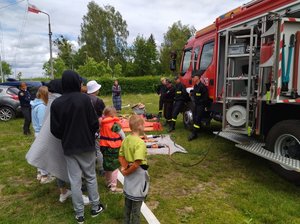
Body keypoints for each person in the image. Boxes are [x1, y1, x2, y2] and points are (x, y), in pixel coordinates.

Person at [50, 70, 104, 224]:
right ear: (76, 82)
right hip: (86, 145)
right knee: (91, 177)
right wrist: (88, 133)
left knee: (75, 180)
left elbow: (55, 130)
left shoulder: (57, 103)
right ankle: (95, 207)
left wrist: (67, 136)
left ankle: (79, 214)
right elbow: (94, 123)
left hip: (69, 146)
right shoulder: (84, 99)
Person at [119, 114, 150, 224]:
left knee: (128, 204)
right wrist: (127, 171)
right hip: (137, 175)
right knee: (136, 207)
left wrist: (125, 168)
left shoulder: (126, 139)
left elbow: (121, 156)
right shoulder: (140, 143)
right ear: (140, 126)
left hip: (129, 175)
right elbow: (137, 163)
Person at [30, 86, 55, 184]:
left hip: (38, 133)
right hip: (42, 133)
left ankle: (40, 173)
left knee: (40, 153)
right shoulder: (41, 107)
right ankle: (45, 176)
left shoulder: (36, 104)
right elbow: (42, 123)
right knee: (44, 155)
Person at [99, 106, 125, 193]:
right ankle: (113, 187)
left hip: (104, 147)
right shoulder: (115, 125)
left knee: (107, 165)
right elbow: (122, 135)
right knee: (114, 167)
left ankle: (108, 182)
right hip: (113, 148)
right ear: (113, 114)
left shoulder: (103, 124)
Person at [87, 80, 106, 176]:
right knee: (98, 149)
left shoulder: (84, 98)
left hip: (86, 128)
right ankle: (101, 168)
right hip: (97, 127)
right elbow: (103, 115)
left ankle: (90, 167)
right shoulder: (98, 101)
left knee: (90, 149)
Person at [188, 72, 209, 141]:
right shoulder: (195, 86)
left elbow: (205, 98)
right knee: (194, 117)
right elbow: (195, 93)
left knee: (197, 118)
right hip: (196, 105)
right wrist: (191, 93)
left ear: (197, 77)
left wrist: (204, 106)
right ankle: (196, 132)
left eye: (193, 77)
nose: (192, 78)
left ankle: (194, 133)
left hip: (201, 105)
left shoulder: (203, 87)